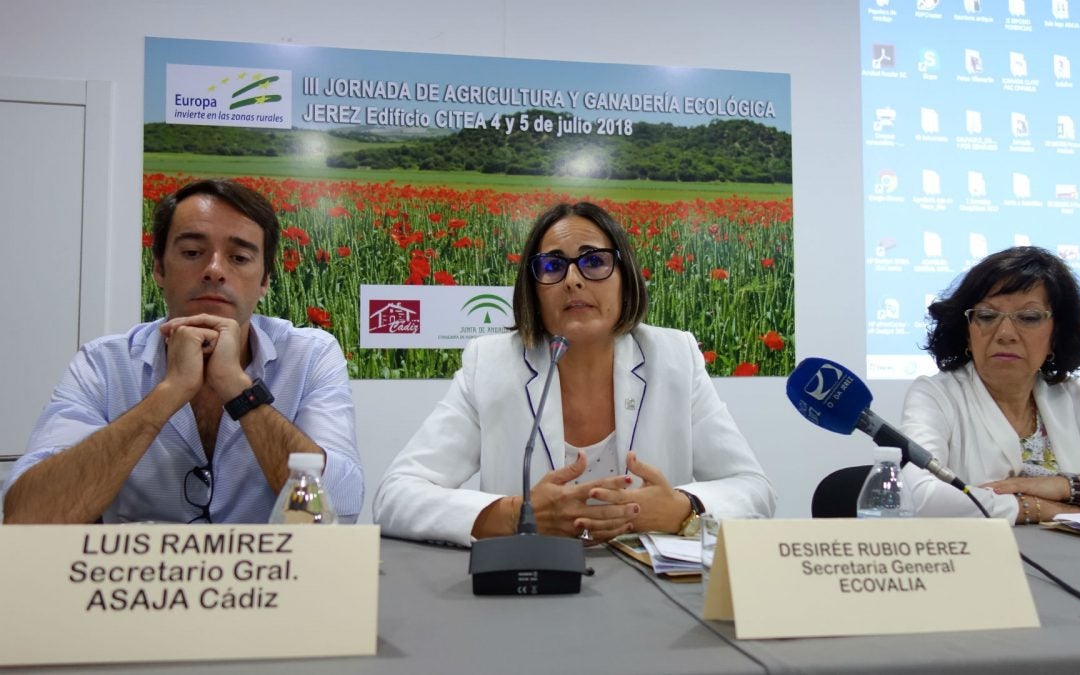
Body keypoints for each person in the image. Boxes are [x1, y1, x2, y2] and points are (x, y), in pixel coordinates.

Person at [374, 202, 775, 546]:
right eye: (551, 266)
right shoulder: (491, 364)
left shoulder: (674, 358)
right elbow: (396, 497)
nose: (573, 279)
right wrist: (515, 515)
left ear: (625, 278)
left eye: (594, 261)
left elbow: (753, 490)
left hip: (655, 595)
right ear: (533, 290)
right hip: (530, 592)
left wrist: (682, 510)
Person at [3, 179, 362, 524]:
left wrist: (239, 390)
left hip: (270, 581)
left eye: (238, 258)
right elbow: (30, 515)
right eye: (192, 252)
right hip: (139, 580)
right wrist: (170, 392)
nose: (215, 271)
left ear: (265, 280)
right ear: (159, 268)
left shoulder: (310, 355)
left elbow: (341, 507)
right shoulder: (104, 364)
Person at [900, 246, 1080, 524]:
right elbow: (917, 497)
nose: (1005, 333)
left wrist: (1069, 487)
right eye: (987, 316)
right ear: (967, 332)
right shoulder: (936, 395)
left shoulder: (1071, 396)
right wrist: (1036, 508)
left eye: (1028, 318)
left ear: (1056, 335)